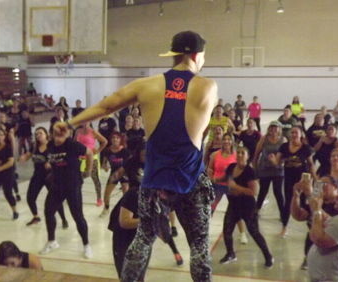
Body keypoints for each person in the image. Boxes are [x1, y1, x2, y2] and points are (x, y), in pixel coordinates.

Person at [53, 31, 216, 281]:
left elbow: (107, 106)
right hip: (190, 179)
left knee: (142, 241)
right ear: (195, 55)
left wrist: (71, 124)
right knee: (199, 248)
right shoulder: (207, 86)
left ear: (174, 55)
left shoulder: (146, 85)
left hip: (154, 181)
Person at [108, 142, 184, 280]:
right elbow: (125, 222)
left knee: (140, 276)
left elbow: (162, 222)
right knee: (126, 276)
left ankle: (175, 251)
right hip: (126, 231)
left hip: (143, 237)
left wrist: (166, 226)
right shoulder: (134, 193)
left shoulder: (160, 195)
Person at [40, 131, 94, 259]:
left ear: (66, 135)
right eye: (55, 134)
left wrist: (88, 170)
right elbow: (52, 160)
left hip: (72, 185)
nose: (57, 138)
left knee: (77, 216)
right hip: (57, 185)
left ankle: (86, 245)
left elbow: (90, 153)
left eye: (60, 135)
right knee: (48, 211)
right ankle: (52, 241)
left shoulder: (72, 144)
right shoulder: (50, 146)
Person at [219, 147, 273, 268]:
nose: (239, 154)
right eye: (238, 152)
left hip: (248, 207)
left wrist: (236, 187)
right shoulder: (231, 167)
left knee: (254, 232)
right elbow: (225, 179)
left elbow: (254, 191)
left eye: (243, 153)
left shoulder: (249, 171)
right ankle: (230, 253)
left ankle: (268, 256)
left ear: (247, 156)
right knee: (227, 231)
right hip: (233, 205)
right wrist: (214, 178)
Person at [269, 126, 315, 237]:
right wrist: (273, 160)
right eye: (292, 132)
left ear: (301, 134)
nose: (294, 135)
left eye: (296, 133)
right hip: (289, 179)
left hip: (302, 179)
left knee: (304, 204)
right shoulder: (284, 147)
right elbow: (278, 163)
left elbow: (311, 164)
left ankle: (312, 228)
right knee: (288, 203)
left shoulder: (306, 148)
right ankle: (284, 228)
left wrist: (313, 178)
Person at [19, 127, 68, 227]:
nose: (38, 136)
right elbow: (29, 154)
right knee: (30, 198)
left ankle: (63, 219)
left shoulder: (52, 146)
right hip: (37, 176)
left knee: (55, 200)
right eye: (36, 134)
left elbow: (61, 157)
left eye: (40, 133)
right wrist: (24, 157)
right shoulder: (34, 146)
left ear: (46, 135)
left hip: (50, 177)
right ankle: (36, 216)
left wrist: (51, 162)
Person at [290, 175, 338, 270]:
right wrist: (296, 196)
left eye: (324, 184)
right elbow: (299, 215)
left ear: (335, 187)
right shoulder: (318, 201)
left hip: (330, 258)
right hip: (314, 254)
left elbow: (327, 223)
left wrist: (310, 194)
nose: (320, 187)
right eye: (318, 184)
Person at [253, 121, 285, 213]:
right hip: (264, 170)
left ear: (279, 129)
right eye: (272, 127)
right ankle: (256, 211)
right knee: (263, 192)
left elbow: (286, 155)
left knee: (278, 193)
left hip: (278, 170)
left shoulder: (283, 139)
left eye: (276, 127)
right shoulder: (264, 139)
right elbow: (256, 155)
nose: (273, 130)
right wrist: (256, 171)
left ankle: (283, 215)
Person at [74, 122, 108, 206]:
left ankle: (99, 198)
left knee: (95, 179)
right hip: (80, 158)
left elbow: (104, 141)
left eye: (87, 121)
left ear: (89, 122)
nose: (85, 123)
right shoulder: (78, 131)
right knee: (78, 179)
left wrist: (98, 150)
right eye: (84, 121)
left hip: (92, 158)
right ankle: (76, 197)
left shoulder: (93, 132)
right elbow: (74, 143)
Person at [100, 132, 130, 217]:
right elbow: (104, 163)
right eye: (113, 138)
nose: (115, 139)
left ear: (120, 140)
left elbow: (129, 163)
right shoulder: (107, 150)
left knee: (126, 192)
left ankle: (126, 211)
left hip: (123, 172)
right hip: (113, 173)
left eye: (117, 138)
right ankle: (106, 208)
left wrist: (122, 171)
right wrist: (105, 166)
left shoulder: (124, 150)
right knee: (107, 193)